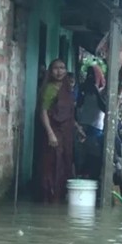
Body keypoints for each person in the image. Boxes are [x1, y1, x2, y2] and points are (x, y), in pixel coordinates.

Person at [38, 59, 84, 203]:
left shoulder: (66, 88)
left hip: (66, 133)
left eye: (62, 68)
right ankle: (50, 196)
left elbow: (68, 112)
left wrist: (78, 127)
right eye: (56, 68)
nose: (60, 71)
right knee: (53, 164)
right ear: (51, 71)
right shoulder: (50, 88)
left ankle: (60, 195)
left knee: (65, 162)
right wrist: (50, 133)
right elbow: (43, 112)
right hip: (55, 132)